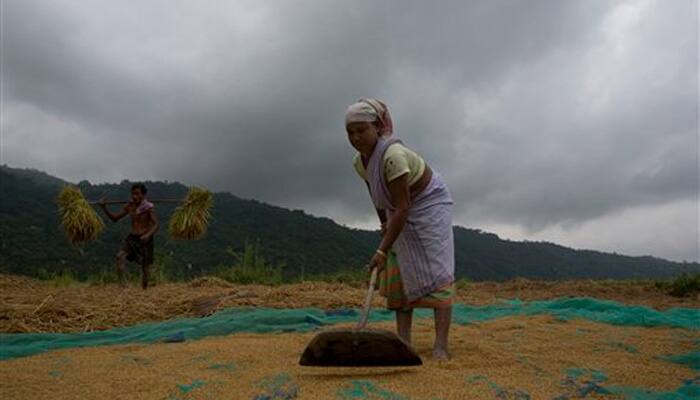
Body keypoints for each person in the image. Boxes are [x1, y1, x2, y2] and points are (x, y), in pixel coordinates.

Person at [345, 98, 455, 360]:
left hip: (427, 204)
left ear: (378, 128)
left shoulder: (393, 156)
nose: (356, 137)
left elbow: (403, 207)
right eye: (350, 133)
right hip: (398, 207)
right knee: (400, 271)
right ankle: (404, 343)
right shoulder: (360, 163)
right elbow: (378, 196)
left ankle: (440, 345)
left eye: (362, 131)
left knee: (437, 273)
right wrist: (385, 225)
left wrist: (381, 251)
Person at [98, 183, 159, 290]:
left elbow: (156, 224)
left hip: (145, 239)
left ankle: (144, 291)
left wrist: (148, 235)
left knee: (145, 267)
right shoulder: (130, 206)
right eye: (133, 194)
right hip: (132, 238)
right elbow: (115, 218)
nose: (134, 196)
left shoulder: (148, 207)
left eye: (137, 194)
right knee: (119, 256)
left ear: (143, 195)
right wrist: (104, 208)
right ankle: (123, 286)